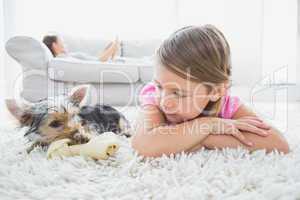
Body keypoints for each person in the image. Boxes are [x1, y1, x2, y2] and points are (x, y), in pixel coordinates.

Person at [131, 25, 289, 157]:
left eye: (179, 93)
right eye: (159, 86)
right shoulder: (153, 98)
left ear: (216, 91)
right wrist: (208, 124)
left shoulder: (227, 105)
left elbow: (278, 144)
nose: (164, 101)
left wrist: (200, 138)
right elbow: (143, 146)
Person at [42, 35, 120, 62]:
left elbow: (96, 60)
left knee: (113, 45)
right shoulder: (62, 59)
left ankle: (113, 48)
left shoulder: (65, 56)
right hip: (98, 62)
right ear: (54, 45)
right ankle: (114, 46)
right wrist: (113, 46)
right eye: (61, 42)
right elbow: (97, 62)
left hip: (98, 60)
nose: (65, 44)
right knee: (115, 43)